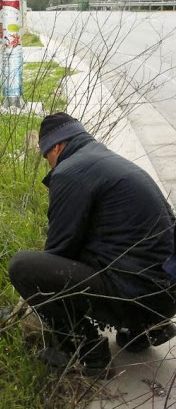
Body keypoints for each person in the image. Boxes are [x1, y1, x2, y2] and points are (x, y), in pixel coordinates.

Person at [9, 112, 176, 375]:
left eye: (47, 158)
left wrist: (30, 303)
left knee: (23, 266)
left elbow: (58, 250)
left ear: (58, 146)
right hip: (164, 297)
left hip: (136, 296)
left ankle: (85, 352)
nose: (50, 166)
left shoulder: (70, 171)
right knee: (105, 248)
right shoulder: (109, 161)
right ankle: (141, 330)